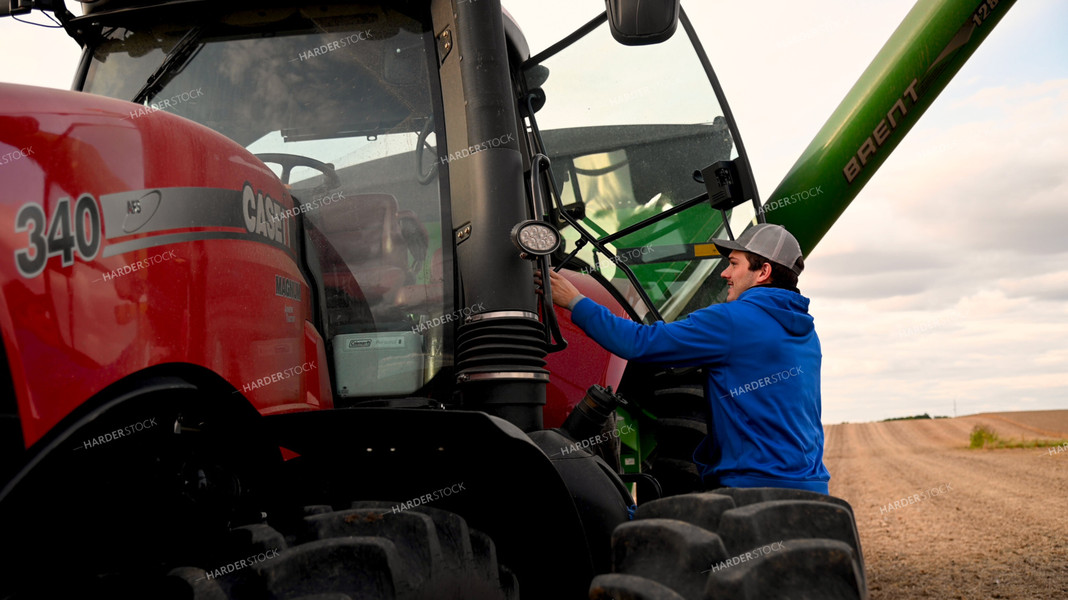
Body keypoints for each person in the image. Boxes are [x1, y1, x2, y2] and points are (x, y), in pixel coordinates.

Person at [539, 223, 830, 494]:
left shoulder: (732, 321)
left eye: (733, 264)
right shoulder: (805, 332)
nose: (724, 274)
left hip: (753, 490)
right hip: (812, 488)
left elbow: (639, 343)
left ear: (763, 271)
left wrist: (574, 301)